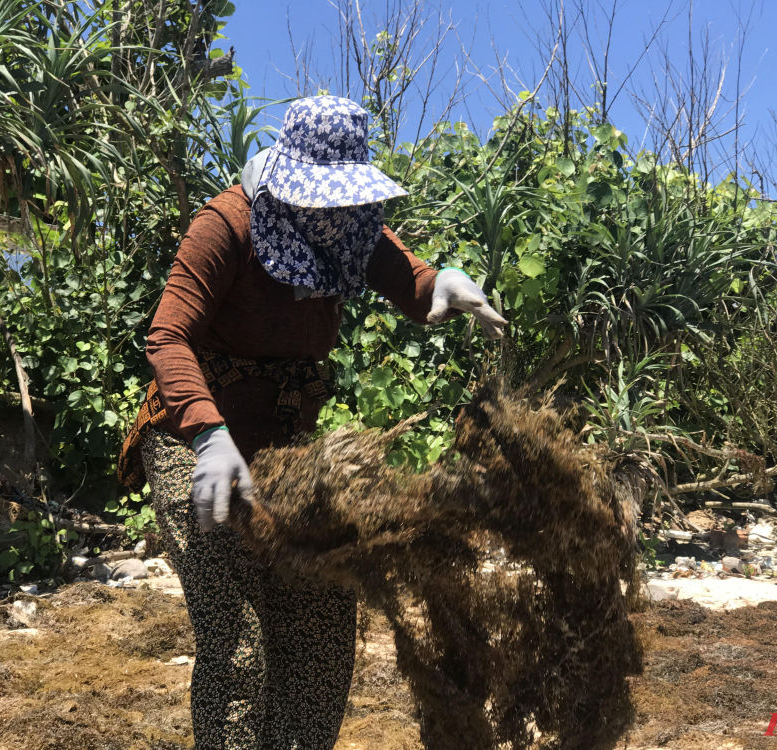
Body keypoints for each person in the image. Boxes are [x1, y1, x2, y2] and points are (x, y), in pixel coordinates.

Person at [117, 96, 506, 750]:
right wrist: (211, 437)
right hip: (196, 441)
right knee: (239, 643)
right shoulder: (227, 225)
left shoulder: (346, 228)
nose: (332, 211)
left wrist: (443, 287)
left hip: (283, 446)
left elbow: (403, 274)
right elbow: (166, 338)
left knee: (323, 622)